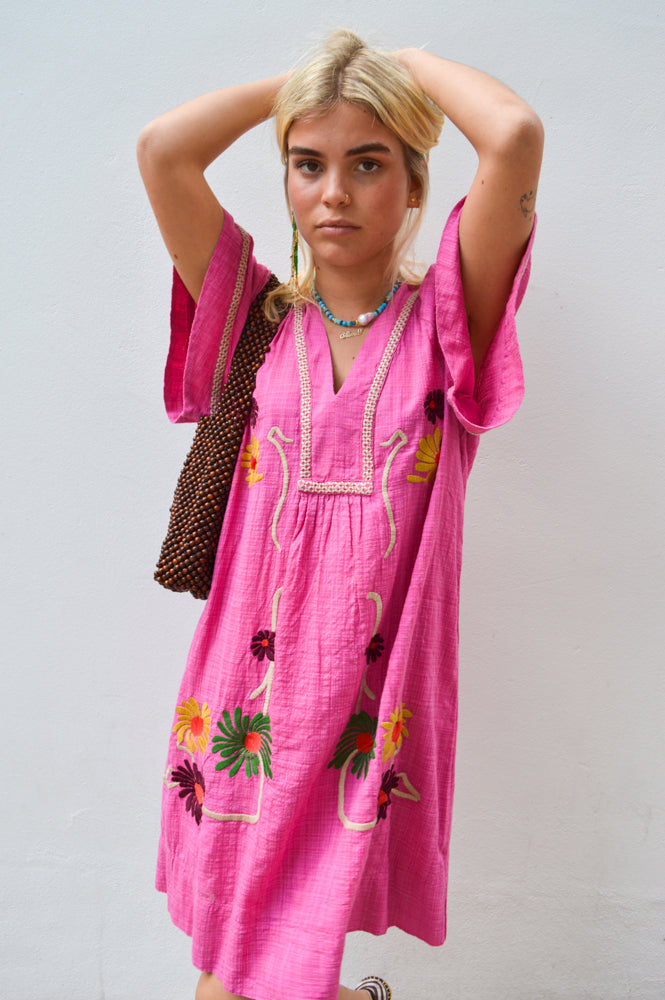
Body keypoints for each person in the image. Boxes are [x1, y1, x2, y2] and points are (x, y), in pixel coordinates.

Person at [137, 28, 543, 1000]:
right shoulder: (252, 316)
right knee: (240, 976)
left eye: (367, 164)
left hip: (367, 706)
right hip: (247, 703)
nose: (333, 192)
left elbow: (513, 134)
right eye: (307, 164)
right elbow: (163, 150)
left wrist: (398, 67)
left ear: (412, 183)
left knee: (240, 982)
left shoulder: (449, 322)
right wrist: (308, 84)